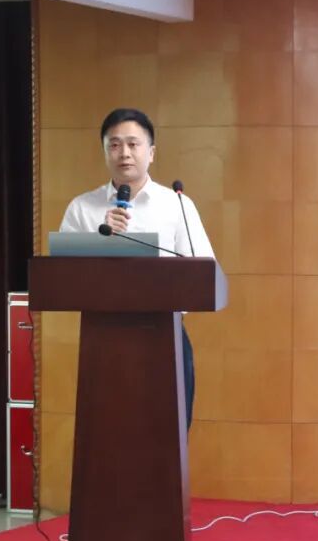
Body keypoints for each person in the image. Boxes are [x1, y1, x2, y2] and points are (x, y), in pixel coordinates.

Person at [59, 108, 214, 430]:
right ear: (105, 152)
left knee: (167, 439)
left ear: (151, 152)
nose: (124, 153)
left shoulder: (177, 205)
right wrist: (98, 240)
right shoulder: (82, 208)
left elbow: (202, 274)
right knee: (105, 437)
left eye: (133, 144)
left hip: (165, 337)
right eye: (114, 145)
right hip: (103, 340)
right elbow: (62, 276)